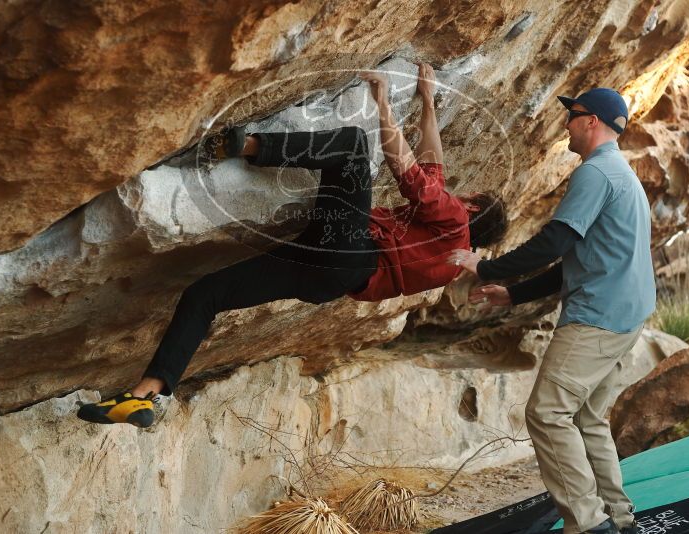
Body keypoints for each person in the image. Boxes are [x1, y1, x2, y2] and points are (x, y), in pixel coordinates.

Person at [77, 63, 507, 428]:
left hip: (349, 251)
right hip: (327, 278)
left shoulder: (452, 219)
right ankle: (144, 396)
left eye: (468, 198)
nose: (457, 193)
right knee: (205, 294)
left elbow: (411, 172)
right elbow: (433, 165)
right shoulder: (450, 250)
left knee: (354, 147)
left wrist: (383, 103)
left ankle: (245, 145)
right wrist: (428, 101)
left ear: (471, 209)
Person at [448, 88, 656, 534]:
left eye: (573, 115)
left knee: (546, 413)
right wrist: (514, 293)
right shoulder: (622, 174)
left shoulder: (596, 174)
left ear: (592, 122)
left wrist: (483, 266)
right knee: (586, 416)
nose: (566, 124)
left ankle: (588, 523)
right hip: (627, 317)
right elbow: (583, 257)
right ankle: (620, 519)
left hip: (598, 318)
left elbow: (554, 242)